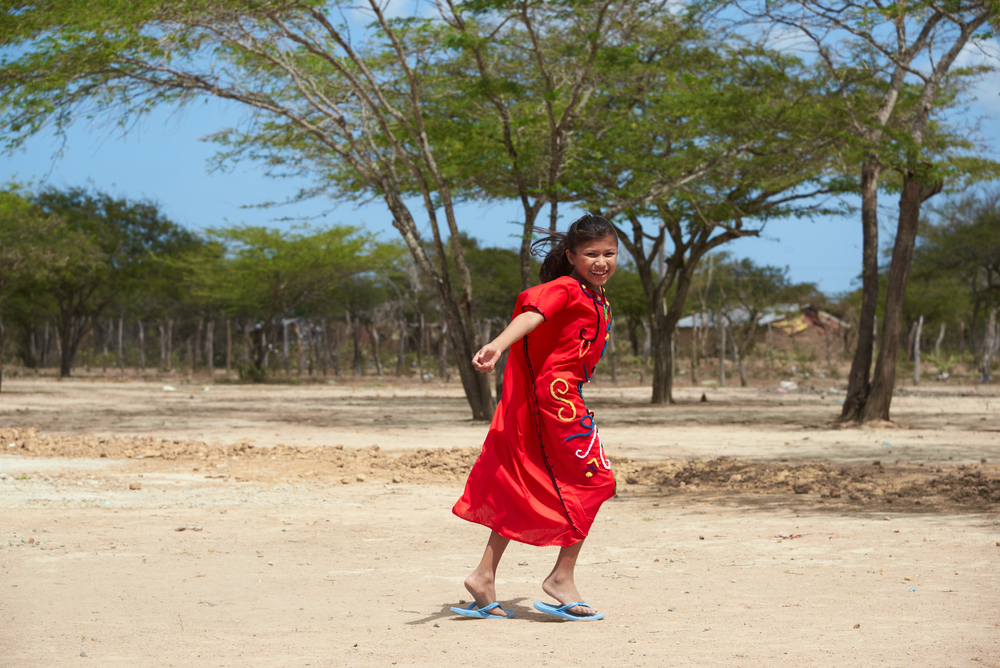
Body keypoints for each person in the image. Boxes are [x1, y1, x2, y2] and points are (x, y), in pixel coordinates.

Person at [451, 214, 618, 621]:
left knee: (528, 481)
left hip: (565, 400)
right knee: (597, 481)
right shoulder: (566, 288)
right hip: (556, 403)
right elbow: (532, 316)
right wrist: (497, 344)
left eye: (609, 254)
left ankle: (483, 575)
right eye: (591, 254)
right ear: (572, 257)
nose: (601, 262)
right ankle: (561, 578)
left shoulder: (596, 296)